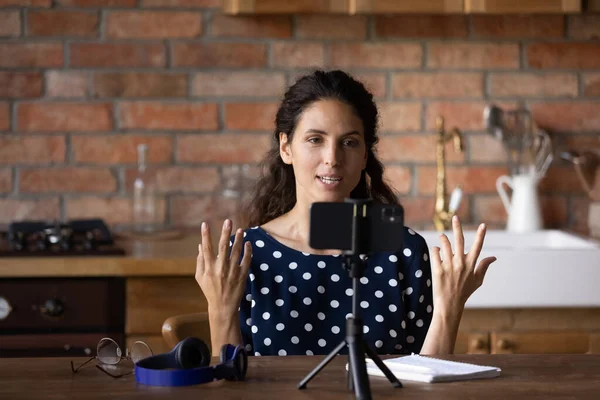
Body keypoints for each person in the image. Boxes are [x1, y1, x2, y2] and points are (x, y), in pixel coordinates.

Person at [195, 69, 497, 357]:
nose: (333, 158)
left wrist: (450, 308)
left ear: (365, 154)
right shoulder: (246, 254)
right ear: (286, 147)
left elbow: (427, 383)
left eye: (349, 142)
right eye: (315, 140)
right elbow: (231, 382)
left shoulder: (404, 252)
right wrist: (219, 310)